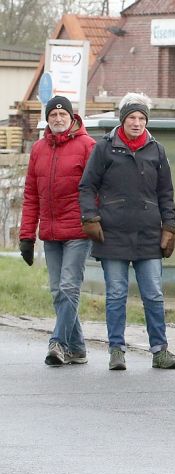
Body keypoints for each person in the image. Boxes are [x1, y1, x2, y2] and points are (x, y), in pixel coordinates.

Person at [78, 93, 175, 371]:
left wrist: (169, 227)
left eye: (141, 118)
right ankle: (116, 350)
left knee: (154, 294)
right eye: (132, 118)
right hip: (112, 233)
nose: (137, 123)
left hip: (148, 233)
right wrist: (90, 217)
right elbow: (87, 186)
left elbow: (166, 193)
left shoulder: (156, 150)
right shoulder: (104, 148)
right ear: (123, 120)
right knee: (116, 294)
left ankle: (160, 351)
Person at [19, 96, 95, 365]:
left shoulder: (87, 146)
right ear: (47, 119)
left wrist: (94, 221)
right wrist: (26, 235)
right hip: (51, 234)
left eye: (63, 115)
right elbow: (31, 195)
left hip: (78, 231)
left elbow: (98, 188)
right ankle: (78, 347)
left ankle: (58, 343)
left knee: (68, 288)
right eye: (53, 115)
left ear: (72, 118)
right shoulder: (39, 149)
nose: (58, 119)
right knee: (56, 291)